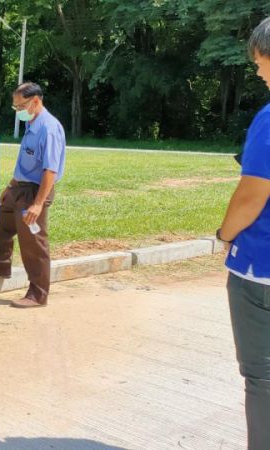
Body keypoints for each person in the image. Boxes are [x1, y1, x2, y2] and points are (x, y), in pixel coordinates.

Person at [217, 16, 270, 449]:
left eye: (258, 62)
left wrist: (225, 233)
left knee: (263, 378)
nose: (257, 72)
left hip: (261, 269)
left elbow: (252, 195)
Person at [0, 82, 66, 308]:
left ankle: (38, 294)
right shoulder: (32, 124)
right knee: (1, 220)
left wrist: (38, 204)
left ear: (36, 101)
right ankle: (2, 265)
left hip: (35, 192)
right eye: (15, 107)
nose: (18, 111)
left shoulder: (48, 128)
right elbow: (26, 162)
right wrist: (9, 187)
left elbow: (50, 170)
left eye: (20, 106)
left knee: (32, 242)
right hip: (19, 187)